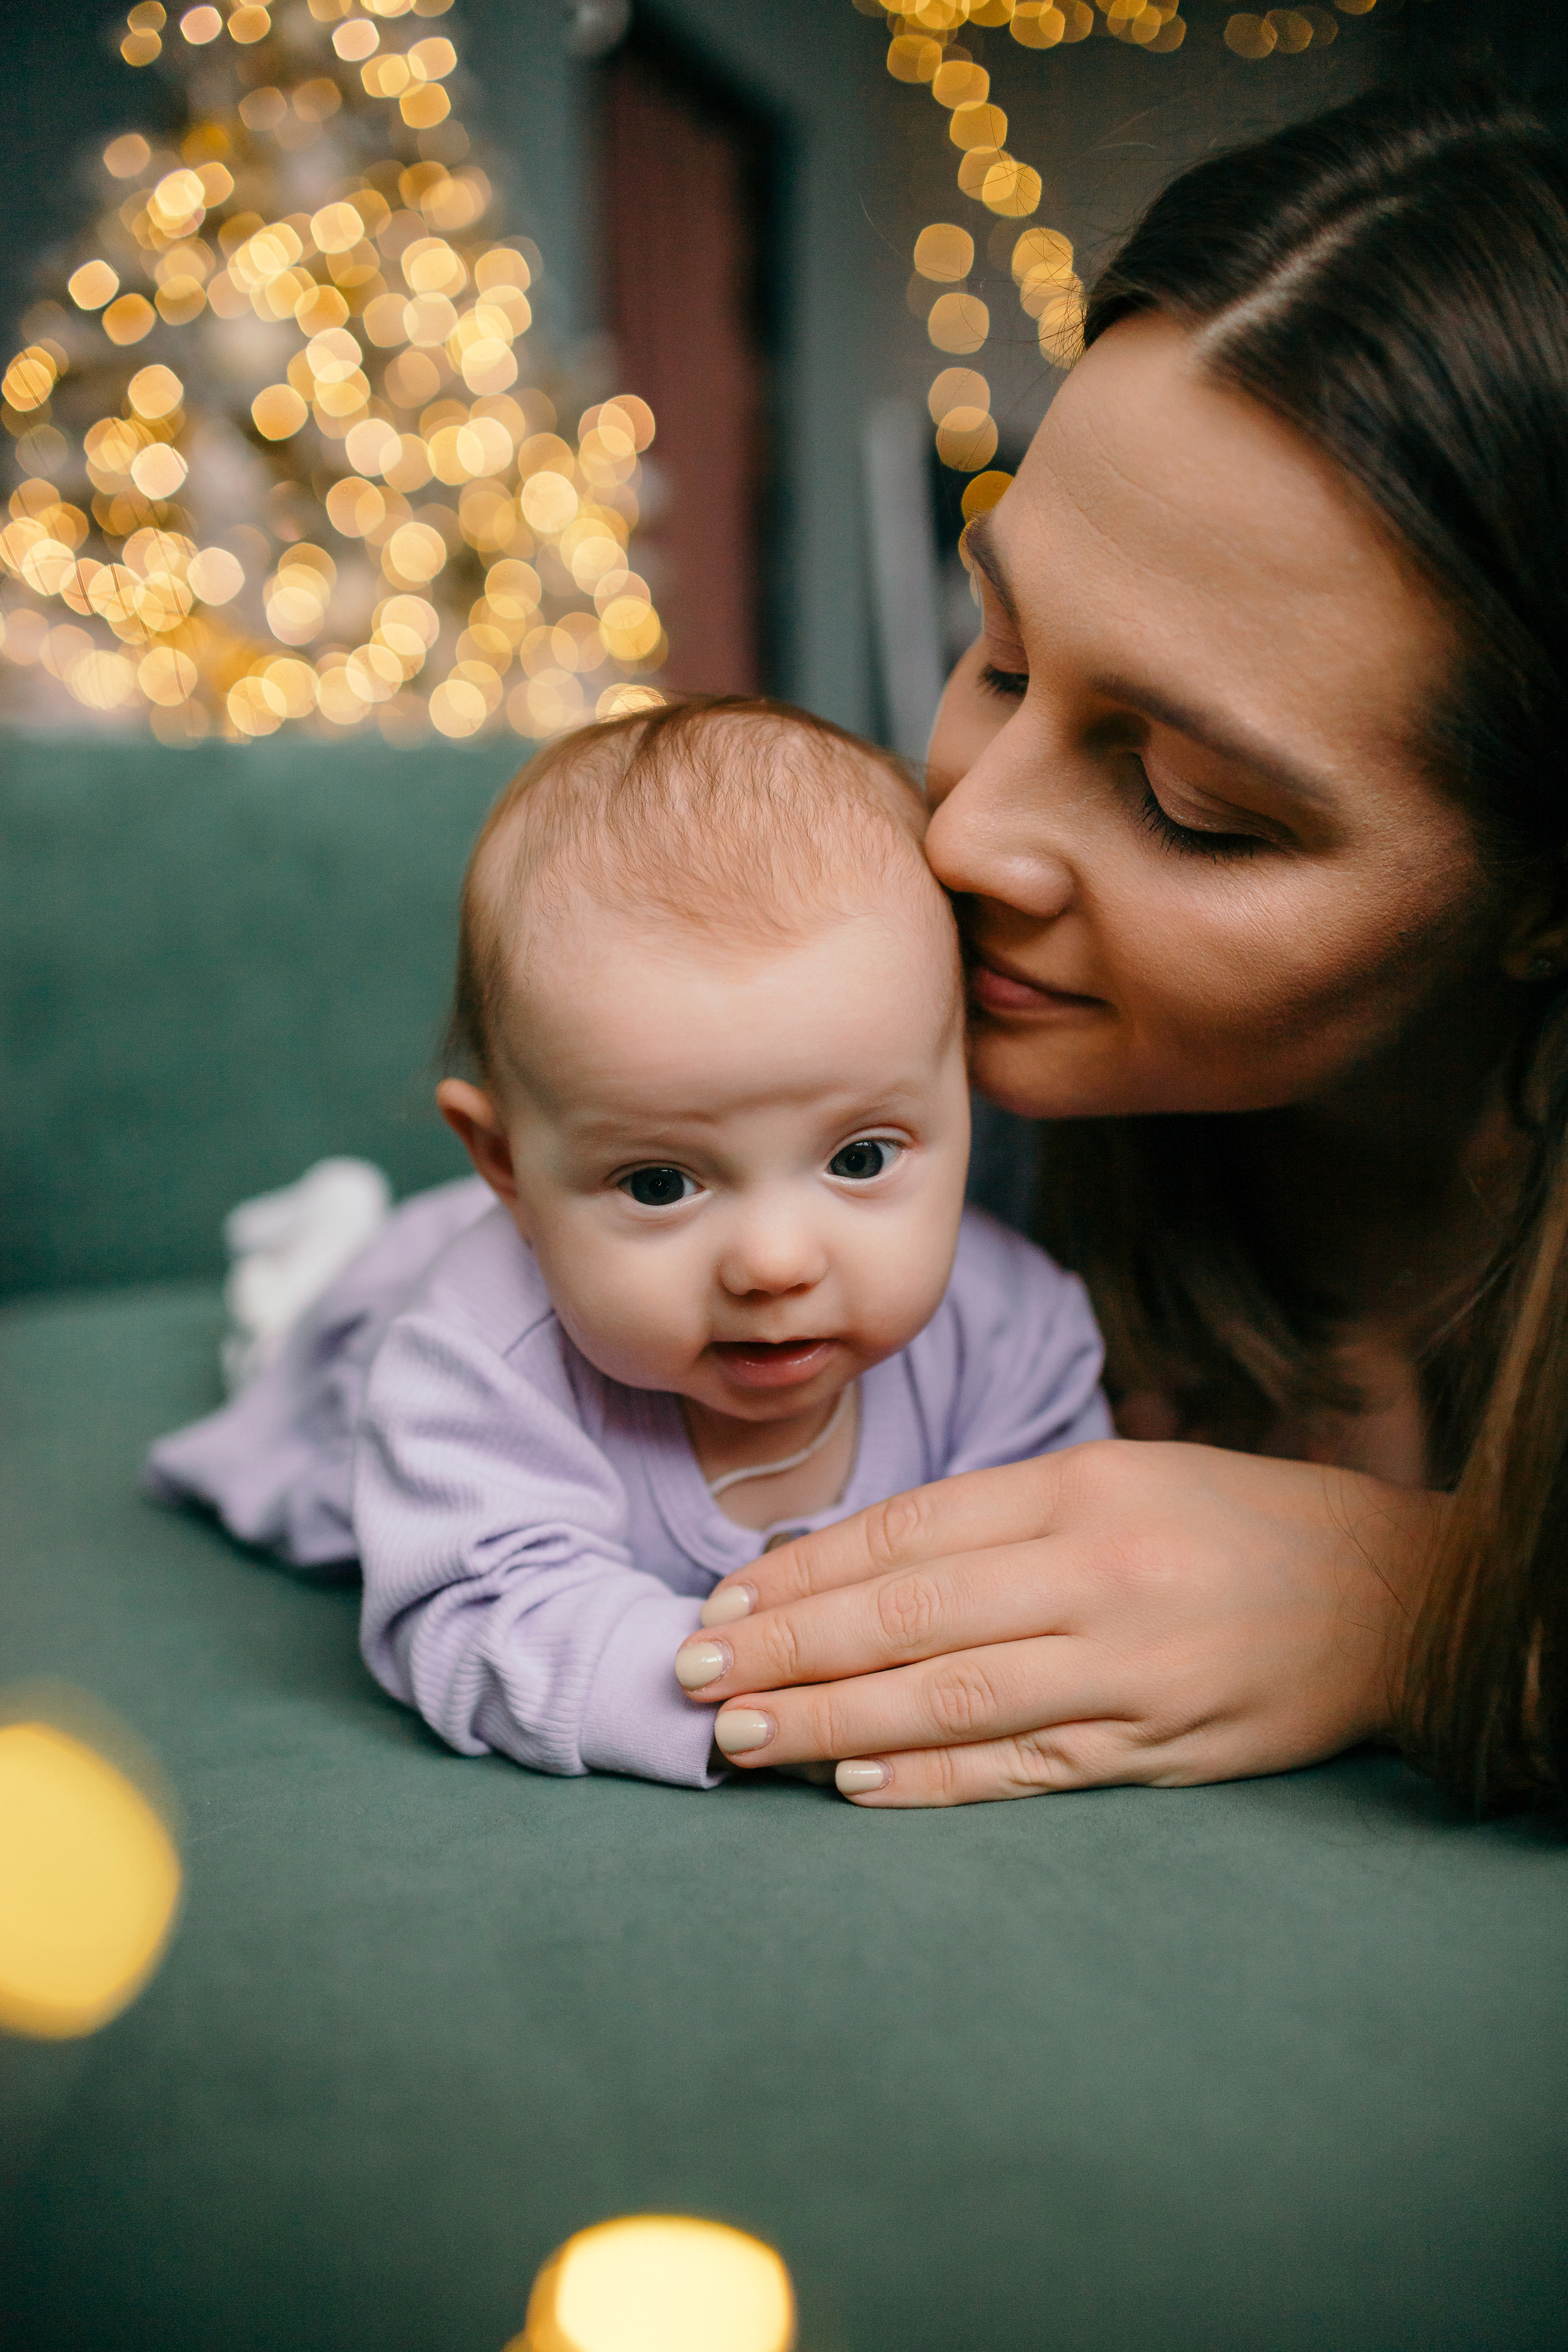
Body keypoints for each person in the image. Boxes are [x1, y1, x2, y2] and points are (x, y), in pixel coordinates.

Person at [669, 81, 1568, 1815]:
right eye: (995, 654)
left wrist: (1421, 1600)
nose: (963, 838)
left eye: (1191, 801)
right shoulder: (886, 1087)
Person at [148, 699, 1108, 1785]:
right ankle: (309, 1262)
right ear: (504, 1162)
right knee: (308, 1358)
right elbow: (477, 1618)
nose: (776, 1263)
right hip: (384, 1341)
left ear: (962, 1096)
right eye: (661, 1182)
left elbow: (1046, 1573)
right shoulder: (473, 1359)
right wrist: (759, 1707)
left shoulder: (1016, 1336)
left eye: (860, 1158)